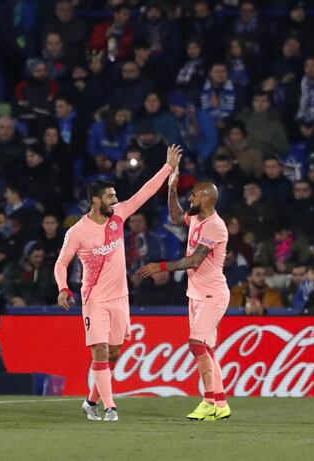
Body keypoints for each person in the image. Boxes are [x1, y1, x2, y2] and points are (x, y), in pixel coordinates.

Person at [54, 144, 182, 422]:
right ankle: (110, 408)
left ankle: (91, 402)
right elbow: (61, 263)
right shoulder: (77, 231)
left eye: (115, 196)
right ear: (96, 200)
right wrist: (63, 288)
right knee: (99, 350)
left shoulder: (120, 215)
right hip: (94, 299)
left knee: (113, 354)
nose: (115, 200)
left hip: (120, 297)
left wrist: (167, 167)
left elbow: (145, 192)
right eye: (110, 197)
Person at [139, 175, 231, 421]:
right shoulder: (196, 218)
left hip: (213, 294)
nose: (189, 197)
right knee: (207, 348)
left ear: (206, 198)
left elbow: (194, 260)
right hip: (197, 294)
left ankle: (208, 401)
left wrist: (161, 267)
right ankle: (220, 405)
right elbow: (176, 217)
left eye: (193, 194)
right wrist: (171, 187)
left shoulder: (215, 226)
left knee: (196, 344)